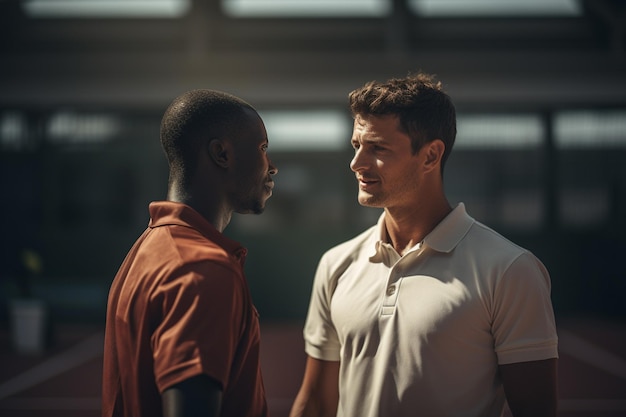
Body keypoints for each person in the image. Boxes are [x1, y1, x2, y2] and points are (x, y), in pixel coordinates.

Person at [289, 73, 558, 417]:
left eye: (377, 148)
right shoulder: (336, 264)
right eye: (357, 145)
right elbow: (314, 404)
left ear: (431, 155)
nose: (356, 163)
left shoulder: (509, 270)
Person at [102, 89, 278, 417]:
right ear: (221, 153)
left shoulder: (147, 250)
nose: (273, 166)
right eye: (263, 148)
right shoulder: (203, 269)